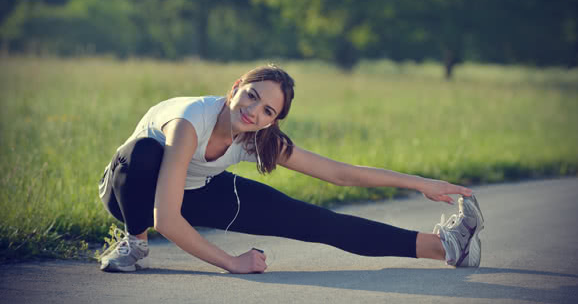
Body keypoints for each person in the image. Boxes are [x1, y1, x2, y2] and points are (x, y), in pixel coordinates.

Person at [98, 64, 484, 273]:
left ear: (273, 120)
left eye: (268, 110)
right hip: (130, 194)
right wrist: (233, 262)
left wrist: (419, 183)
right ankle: (135, 242)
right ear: (235, 88)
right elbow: (165, 218)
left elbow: (341, 174)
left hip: (198, 191)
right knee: (145, 151)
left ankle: (446, 248)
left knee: (314, 220)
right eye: (251, 96)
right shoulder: (190, 120)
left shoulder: (258, 137)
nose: (253, 111)